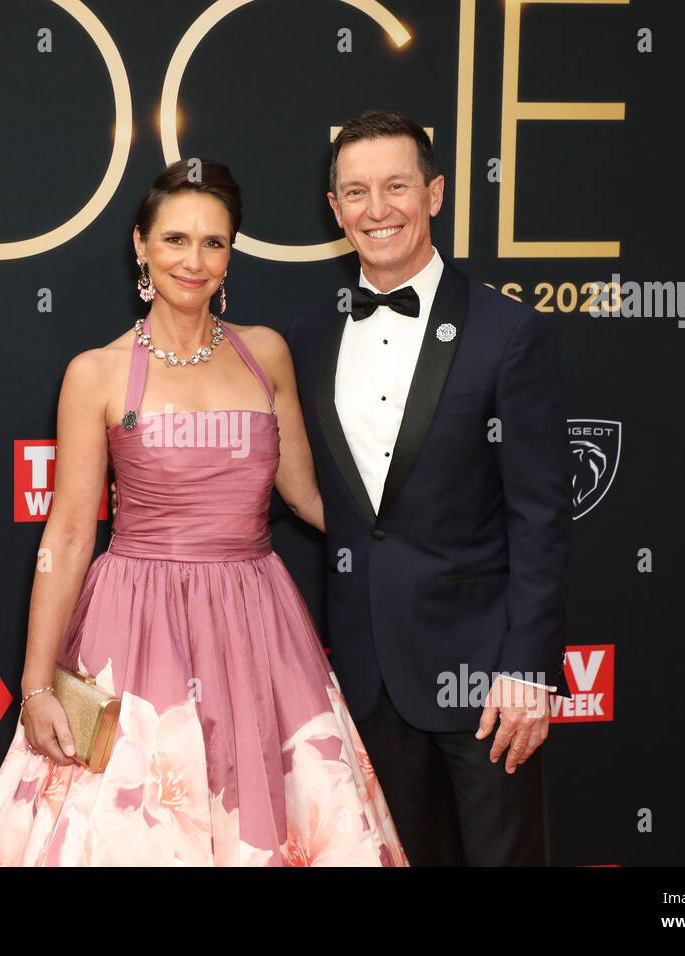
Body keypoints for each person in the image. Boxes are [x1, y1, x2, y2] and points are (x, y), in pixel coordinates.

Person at [0, 159, 407, 866]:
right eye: (174, 240)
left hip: (256, 620)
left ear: (231, 254)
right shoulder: (96, 373)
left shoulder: (267, 355)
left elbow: (307, 497)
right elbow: (71, 533)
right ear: (140, 245)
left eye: (213, 243)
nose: (192, 261)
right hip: (133, 623)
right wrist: (36, 683)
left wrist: (418, 535)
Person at [287, 110, 573, 865]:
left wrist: (528, 669)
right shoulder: (309, 338)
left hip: (487, 677)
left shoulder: (509, 333)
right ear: (335, 207)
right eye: (355, 191)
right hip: (365, 672)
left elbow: (541, 515)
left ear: (436, 193)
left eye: (396, 186)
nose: (376, 209)